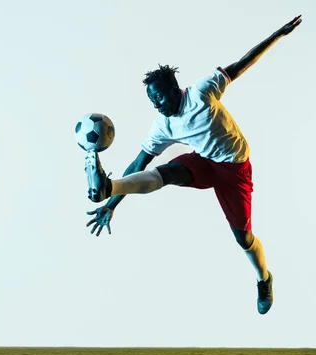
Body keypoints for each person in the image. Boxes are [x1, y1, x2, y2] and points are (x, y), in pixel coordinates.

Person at [84, 15, 302, 315]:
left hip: (235, 169)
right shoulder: (162, 126)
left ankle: (264, 278)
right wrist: (112, 203)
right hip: (204, 163)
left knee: (244, 239)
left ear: (175, 88)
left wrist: (278, 35)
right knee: (169, 171)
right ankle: (109, 186)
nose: (158, 105)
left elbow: (242, 63)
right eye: (152, 102)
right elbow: (139, 161)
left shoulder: (203, 91)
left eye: (159, 97)